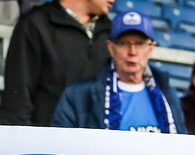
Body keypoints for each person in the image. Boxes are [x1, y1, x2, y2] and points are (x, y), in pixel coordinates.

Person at [50, 10, 184, 133]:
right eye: (124, 43)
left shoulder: (168, 95)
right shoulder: (79, 96)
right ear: (111, 47)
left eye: (140, 43)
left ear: (151, 48)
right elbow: (61, 147)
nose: (132, 52)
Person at [1, 0, 113, 126]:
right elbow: (18, 94)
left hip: (97, 139)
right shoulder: (35, 24)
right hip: (48, 138)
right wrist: (22, 139)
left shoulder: (112, 32)